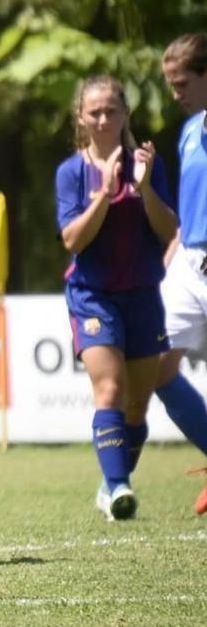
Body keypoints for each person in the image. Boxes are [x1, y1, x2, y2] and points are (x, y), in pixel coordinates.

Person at [54, 75, 178, 521]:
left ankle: (110, 484)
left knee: (137, 404)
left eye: (112, 110)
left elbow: (169, 231)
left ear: (125, 113)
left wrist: (144, 189)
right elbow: (73, 239)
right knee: (109, 388)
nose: (104, 118)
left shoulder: (148, 164)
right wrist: (105, 194)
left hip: (143, 293)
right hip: (93, 296)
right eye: (95, 112)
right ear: (81, 118)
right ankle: (121, 486)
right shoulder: (72, 172)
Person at [157, 34, 207, 516]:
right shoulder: (191, 130)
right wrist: (175, 244)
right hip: (189, 264)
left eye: (182, 82)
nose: (175, 93)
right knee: (156, 365)